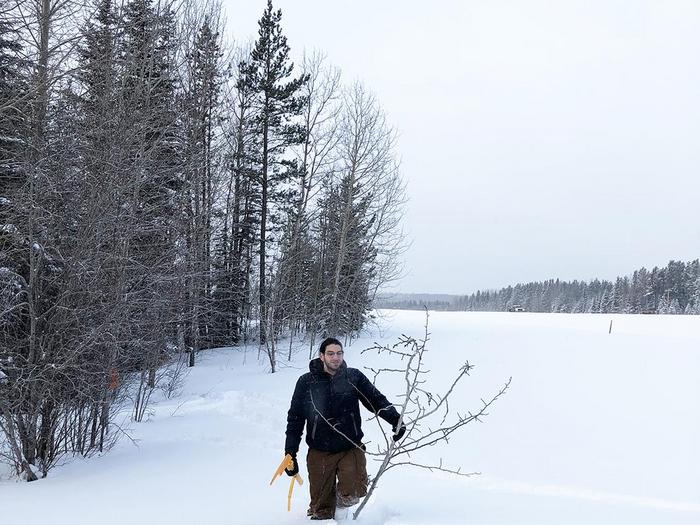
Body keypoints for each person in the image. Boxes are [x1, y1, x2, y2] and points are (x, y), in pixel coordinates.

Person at [284, 337, 406, 520]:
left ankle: (341, 516)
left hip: (350, 445)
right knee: (320, 508)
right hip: (320, 450)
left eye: (339, 353)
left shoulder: (353, 377)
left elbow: (375, 399)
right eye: (331, 354)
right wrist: (290, 453)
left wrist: (396, 420)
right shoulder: (307, 382)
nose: (336, 358)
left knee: (354, 490)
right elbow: (295, 418)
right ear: (321, 356)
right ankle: (326, 515)